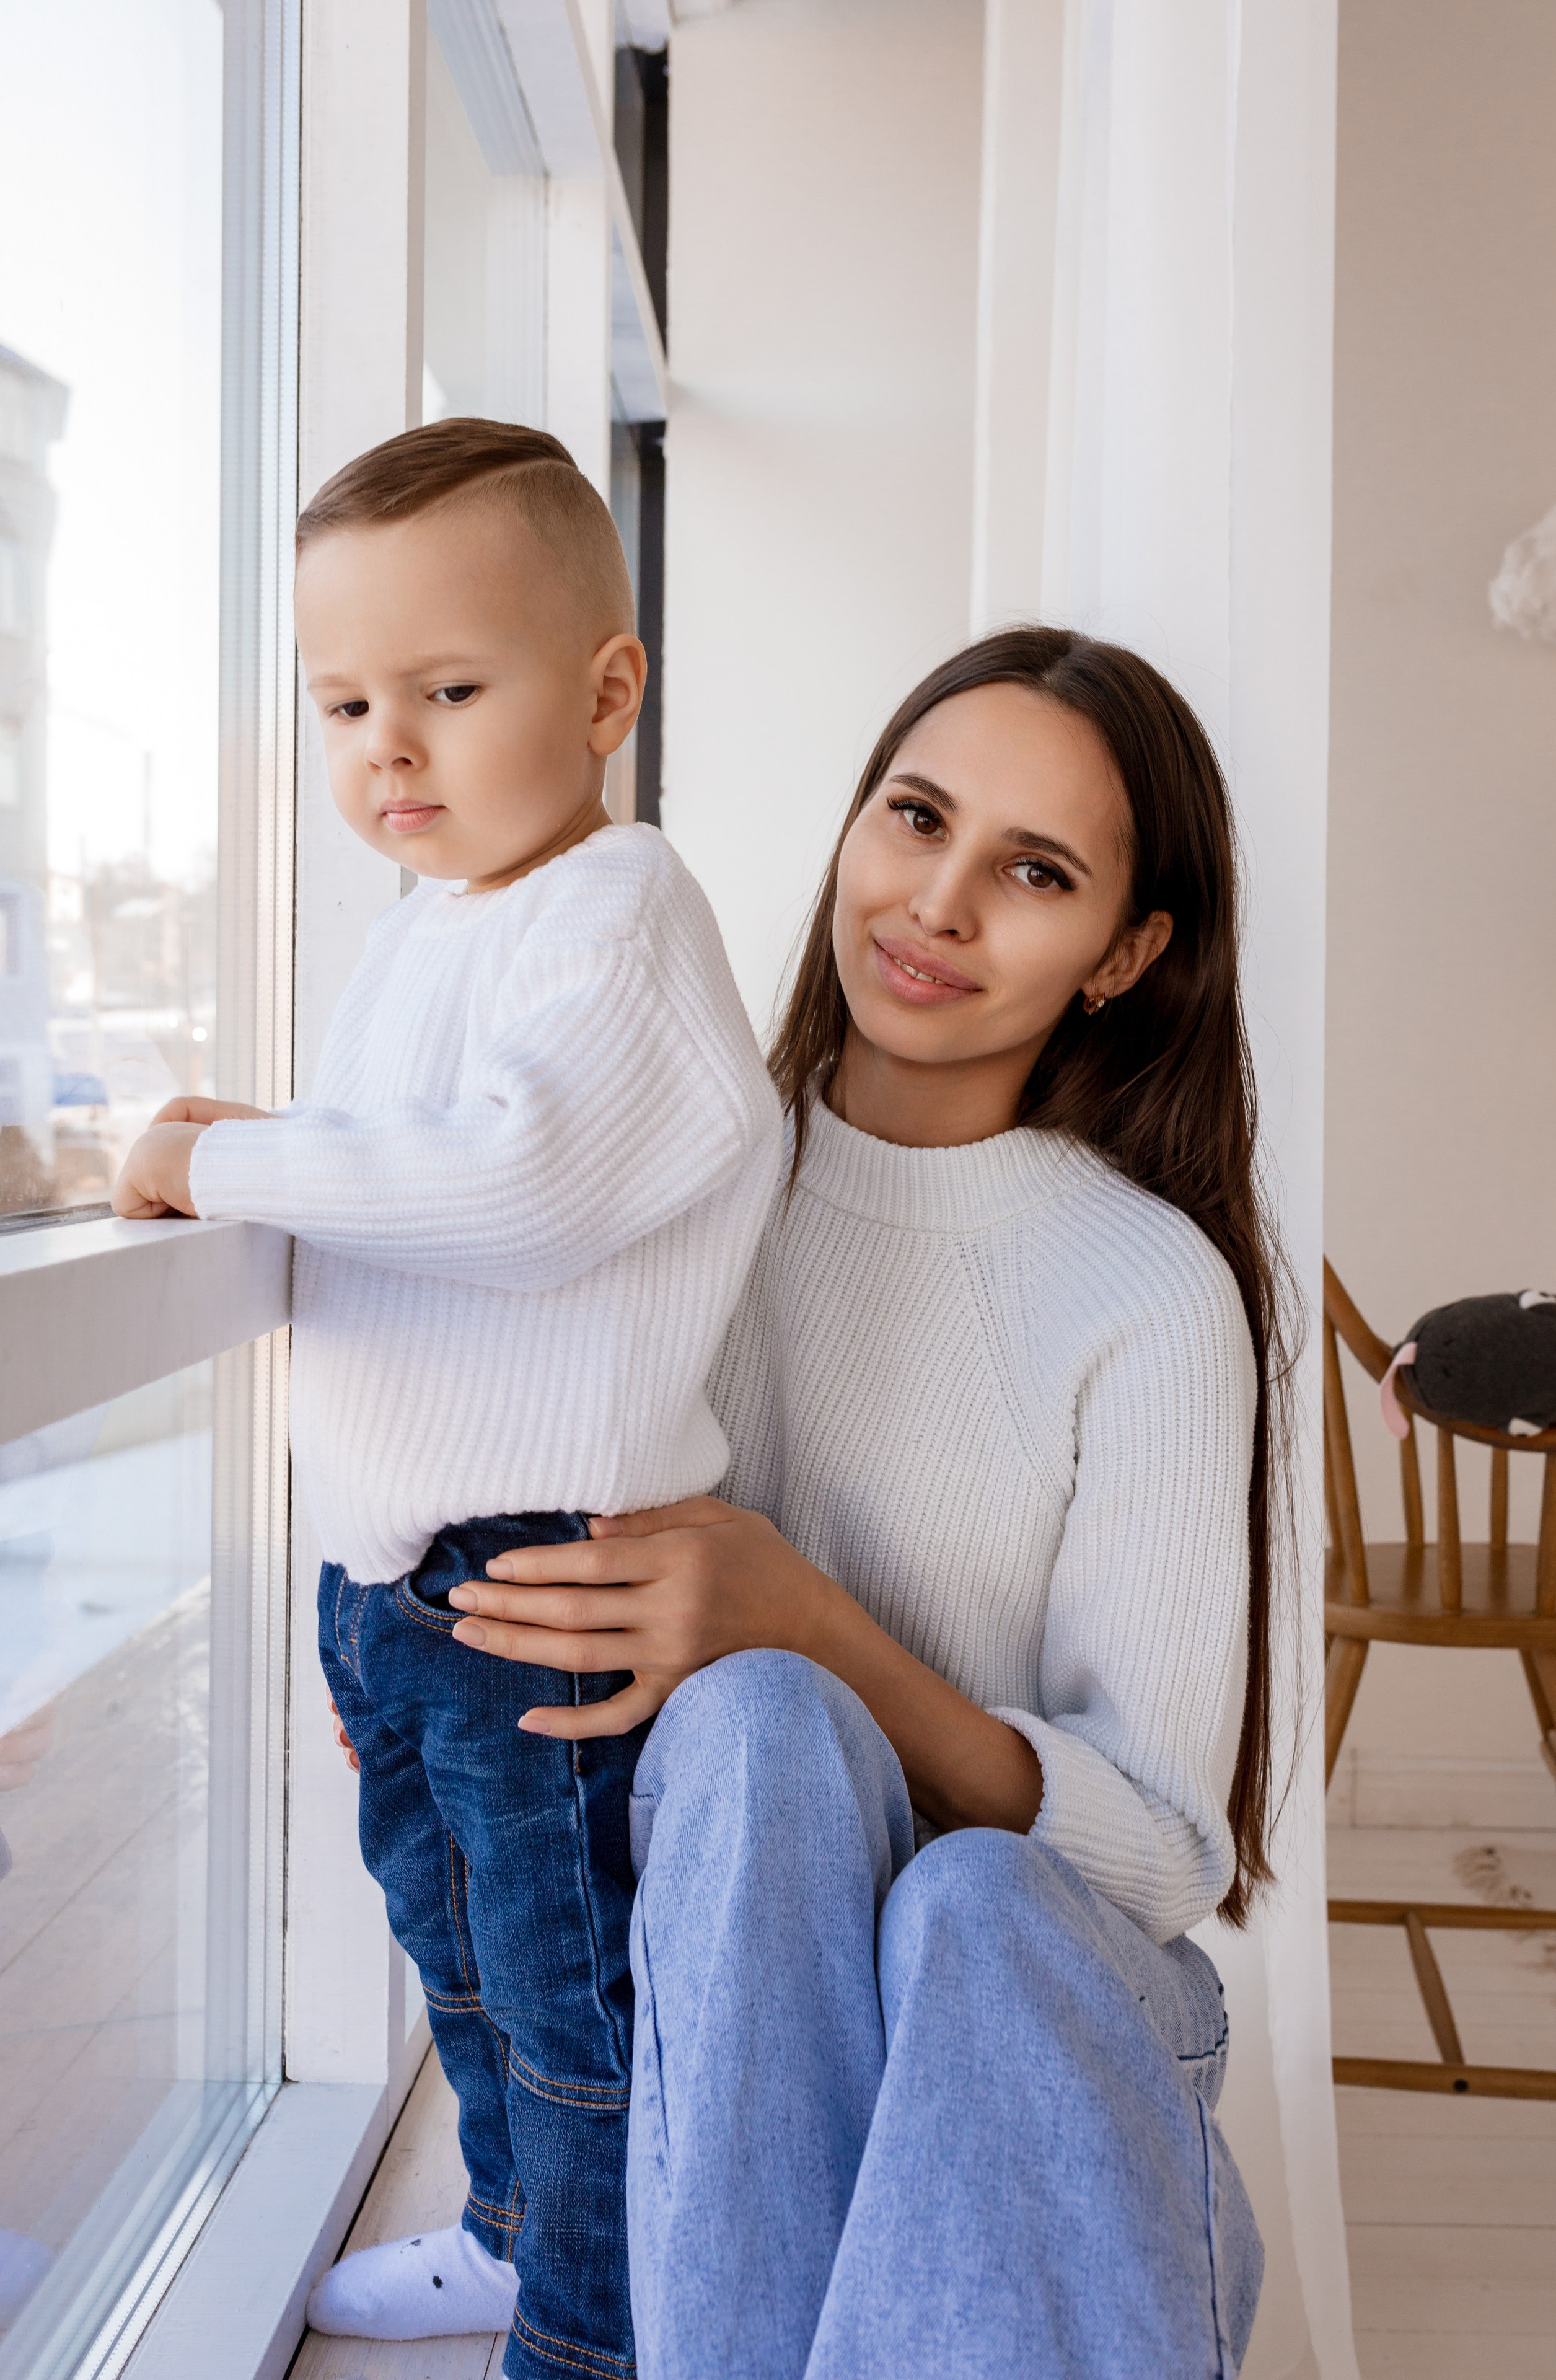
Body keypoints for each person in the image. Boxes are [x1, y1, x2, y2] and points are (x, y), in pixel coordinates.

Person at [442, 627, 1283, 2376]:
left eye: (1035, 873)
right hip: (726, 1990)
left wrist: (813, 1621)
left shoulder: (1147, 1289)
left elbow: (1160, 1850)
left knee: (966, 1895)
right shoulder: (670, 1187)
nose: (940, 905)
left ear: (1128, 954)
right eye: (917, 817)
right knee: (758, 1729)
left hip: (1038, 2011)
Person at [109, 420, 782, 2380]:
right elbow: (409, 1172)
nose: (385, 749)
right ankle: (511, 2235)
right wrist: (278, 1140)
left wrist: (221, 1163)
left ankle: (596, 2334)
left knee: (573, 2004)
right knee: (460, 1964)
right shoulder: (431, 928)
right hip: (407, 1587)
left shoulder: (620, 910)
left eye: (448, 692)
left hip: (537, 1577)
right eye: (343, 705)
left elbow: (520, 1177)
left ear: (606, 694)